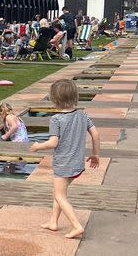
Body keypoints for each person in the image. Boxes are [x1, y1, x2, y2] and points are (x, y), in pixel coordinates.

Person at [30, 79, 100, 239]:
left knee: (60, 196)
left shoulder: (56, 119)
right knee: (59, 193)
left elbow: (53, 142)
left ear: (54, 99)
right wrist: (96, 154)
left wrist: (37, 146)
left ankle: (76, 226)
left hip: (64, 165)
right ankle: (53, 222)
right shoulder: (83, 115)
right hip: (77, 164)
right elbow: (95, 133)